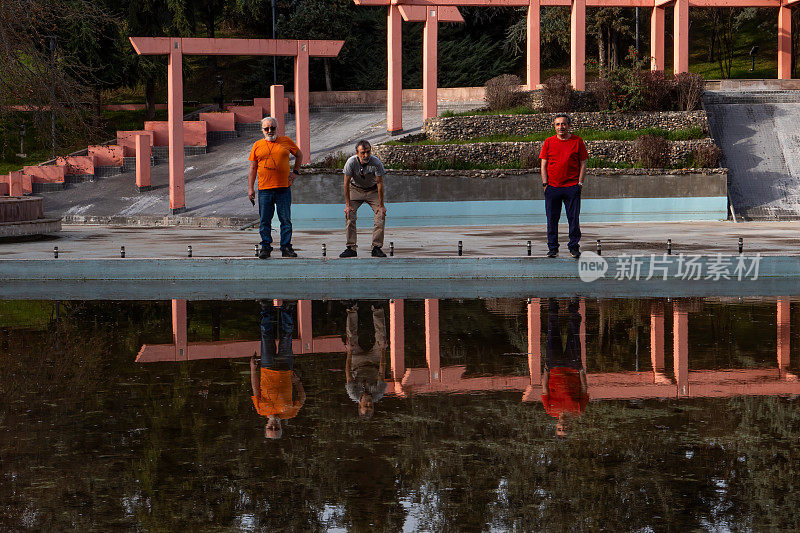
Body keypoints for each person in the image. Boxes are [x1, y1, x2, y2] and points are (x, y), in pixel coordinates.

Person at [247, 117, 304, 259]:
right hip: (265, 189)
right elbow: (253, 168)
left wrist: (296, 171)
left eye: (273, 128)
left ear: (277, 128)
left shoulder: (286, 141)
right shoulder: (257, 145)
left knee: (285, 219)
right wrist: (250, 188)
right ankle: (265, 247)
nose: (270, 131)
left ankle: (286, 247)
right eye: (267, 128)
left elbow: (299, 154)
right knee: (265, 220)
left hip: (283, 188)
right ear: (262, 130)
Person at [250, 300, 305, 439]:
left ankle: (266, 308)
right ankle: (287, 309)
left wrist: (252, 370)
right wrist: (297, 382)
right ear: (281, 427)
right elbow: (302, 398)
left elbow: (255, 389)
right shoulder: (290, 413)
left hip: (267, 369)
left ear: (266, 425)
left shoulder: (261, 410)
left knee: (266, 337)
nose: (274, 426)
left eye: (270, 428)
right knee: (286, 337)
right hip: (286, 369)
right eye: (276, 428)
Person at [539, 113, 588, 259]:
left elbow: (583, 163)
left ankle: (574, 247)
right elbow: (543, 164)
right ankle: (553, 248)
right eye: (558, 124)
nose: (561, 127)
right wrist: (545, 184)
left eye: (563, 124)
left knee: (573, 219)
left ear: (569, 125)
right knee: (552, 219)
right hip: (552, 187)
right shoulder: (548, 142)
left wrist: (579, 183)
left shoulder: (577, 141)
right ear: (554, 127)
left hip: (572, 187)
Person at [541, 298, 588, 437]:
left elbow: (544, 388)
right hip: (573, 366)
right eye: (566, 429)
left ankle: (553, 304)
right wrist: (580, 370)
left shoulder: (550, 410)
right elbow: (584, 388)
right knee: (574, 334)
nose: (563, 427)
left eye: (560, 429)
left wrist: (545, 370)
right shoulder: (578, 410)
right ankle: (574, 306)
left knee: (552, 334)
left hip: (554, 366)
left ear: (556, 427)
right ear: (570, 427)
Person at [339, 140, 387, 258]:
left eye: (368, 152)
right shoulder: (351, 162)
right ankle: (351, 248)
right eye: (363, 153)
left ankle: (376, 247)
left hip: (372, 190)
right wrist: (348, 205)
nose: (366, 155)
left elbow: (380, 183)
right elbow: (346, 184)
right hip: (355, 190)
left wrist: (381, 205)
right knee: (349, 215)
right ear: (357, 153)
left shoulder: (376, 163)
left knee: (380, 215)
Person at [344, 302, 388, 417]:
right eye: (371, 406)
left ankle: (351, 309)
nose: (369, 403)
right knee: (382, 340)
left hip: (357, 364)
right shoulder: (378, 394)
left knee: (350, 341)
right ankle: (378, 309)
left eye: (366, 405)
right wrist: (383, 349)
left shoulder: (353, 393)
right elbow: (382, 371)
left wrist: (349, 351)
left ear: (359, 404)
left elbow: (348, 373)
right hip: (374, 362)